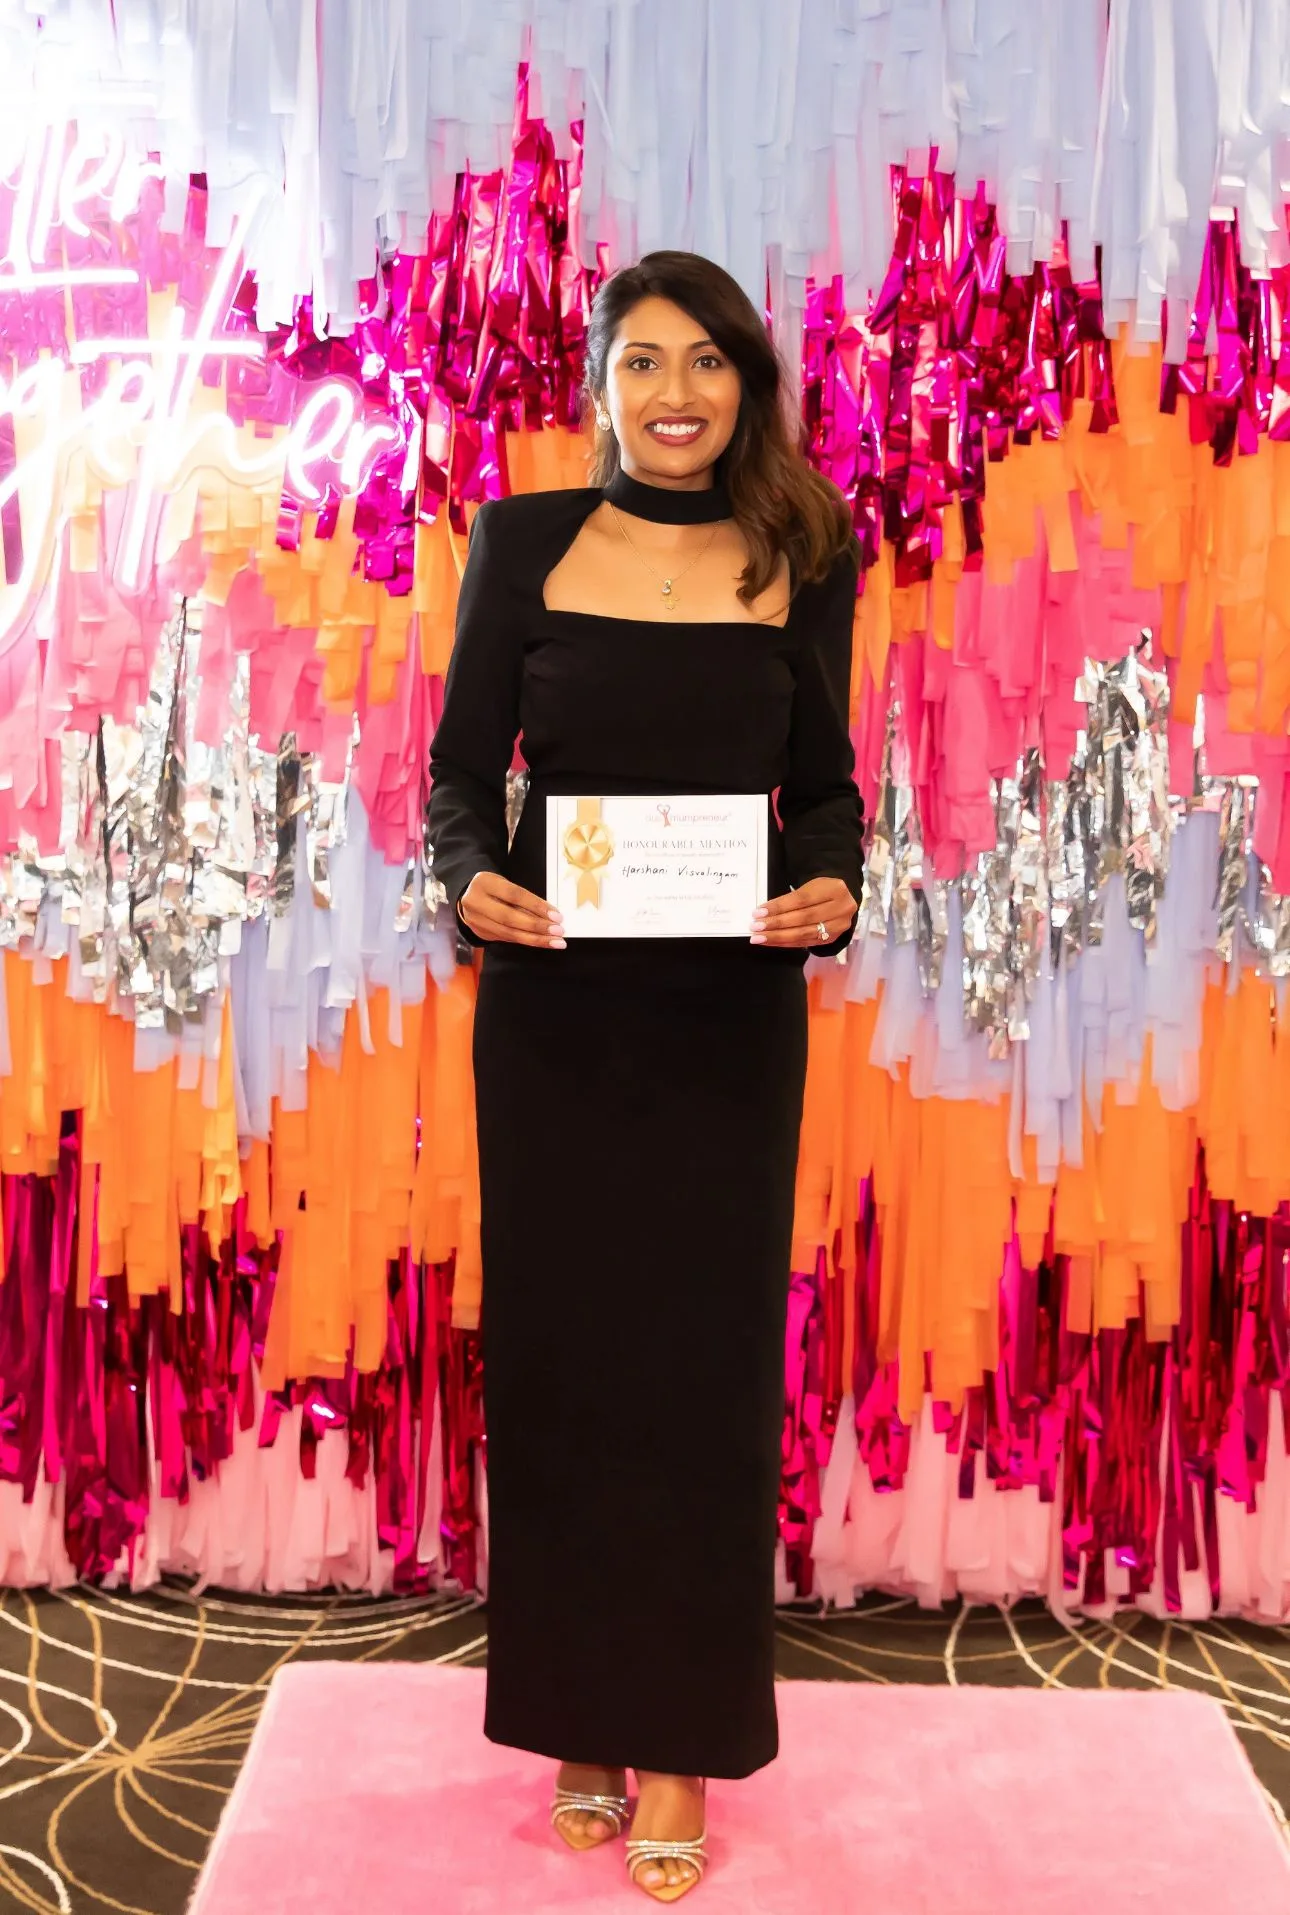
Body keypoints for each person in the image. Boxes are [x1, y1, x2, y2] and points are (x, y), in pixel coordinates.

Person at [427, 248, 864, 1902]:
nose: (672, 393)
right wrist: (467, 873)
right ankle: (576, 1720)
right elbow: (466, 776)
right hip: (551, 1016)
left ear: (745, 382)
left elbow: (824, 792)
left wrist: (830, 887)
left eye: (705, 362)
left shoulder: (801, 546)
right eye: (640, 363)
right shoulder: (523, 539)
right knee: (562, 1367)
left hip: (725, 1024)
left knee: (695, 1379)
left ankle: (677, 1734)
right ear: (598, 383)